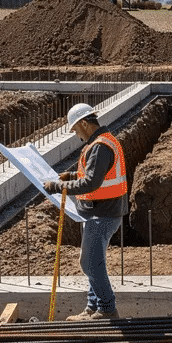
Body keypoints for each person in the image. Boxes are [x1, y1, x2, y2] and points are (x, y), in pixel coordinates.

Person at [42, 103, 128, 320]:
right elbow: (93, 174)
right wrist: (70, 177)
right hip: (97, 211)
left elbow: (91, 183)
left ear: (84, 123)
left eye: (75, 129)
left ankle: (107, 309)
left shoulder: (100, 146)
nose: (75, 134)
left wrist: (59, 187)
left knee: (89, 262)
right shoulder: (101, 142)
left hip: (103, 213)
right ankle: (92, 307)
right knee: (93, 261)